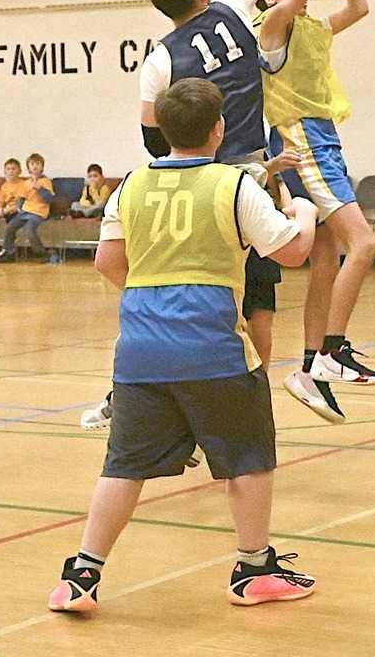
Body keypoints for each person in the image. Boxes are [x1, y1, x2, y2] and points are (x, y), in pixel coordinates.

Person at [48, 78, 319, 613]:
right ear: (219, 129)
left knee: (124, 465)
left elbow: (108, 261)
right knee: (247, 458)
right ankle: (254, 568)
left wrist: (156, 297)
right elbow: (291, 253)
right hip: (213, 349)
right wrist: (305, 215)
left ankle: (81, 576)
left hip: (140, 350)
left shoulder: (130, 185)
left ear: (162, 130)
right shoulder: (232, 185)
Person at [80, 0, 308, 430]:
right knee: (256, 295)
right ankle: (248, 395)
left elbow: (151, 138)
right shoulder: (235, 7)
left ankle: (129, 394)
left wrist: (183, 163)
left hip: (191, 179)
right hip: (248, 177)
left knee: (168, 290)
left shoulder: (158, 59)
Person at [257, 0, 375, 425]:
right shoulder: (273, 29)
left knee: (326, 256)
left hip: (324, 137)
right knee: (366, 243)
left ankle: (309, 367)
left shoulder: (313, 29)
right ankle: (331, 350)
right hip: (300, 138)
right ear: (270, 1)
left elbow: (360, 5)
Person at [0, 152, 54, 263]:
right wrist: (18, 207)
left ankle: (40, 253)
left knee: (29, 229)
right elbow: (23, 198)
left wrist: (40, 188)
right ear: (28, 167)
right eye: (32, 164)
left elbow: (49, 199)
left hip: (39, 212)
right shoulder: (26, 183)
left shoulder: (45, 181)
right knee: (10, 227)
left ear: (42, 167)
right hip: (26, 211)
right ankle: (10, 253)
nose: (35, 166)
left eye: (38, 164)